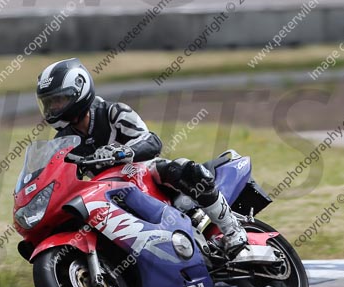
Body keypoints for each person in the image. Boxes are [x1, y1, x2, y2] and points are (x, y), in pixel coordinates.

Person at [35, 58, 247, 257]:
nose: (52, 108)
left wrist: (122, 152)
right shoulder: (63, 141)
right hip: (103, 192)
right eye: (49, 102)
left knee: (182, 169)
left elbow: (151, 141)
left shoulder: (112, 112)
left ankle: (232, 230)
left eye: (59, 100)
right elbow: (56, 174)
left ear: (79, 91)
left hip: (139, 173)